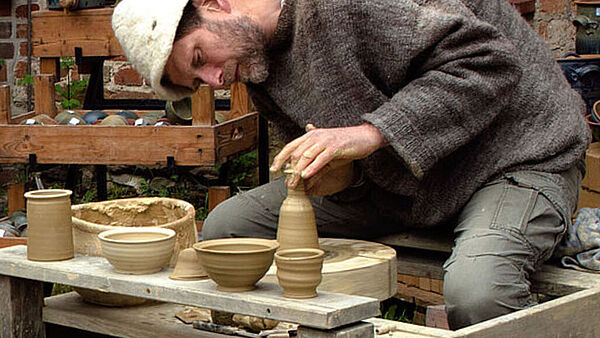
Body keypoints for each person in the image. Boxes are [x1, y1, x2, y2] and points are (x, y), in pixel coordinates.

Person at [112, 0, 591, 328]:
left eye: (199, 56)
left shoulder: (345, 6)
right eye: (197, 79)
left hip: (513, 158)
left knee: (479, 292)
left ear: (215, 3)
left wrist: (370, 133)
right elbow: (342, 161)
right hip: (402, 182)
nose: (214, 79)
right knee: (228, 229)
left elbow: (487, 61)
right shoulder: (251, 56)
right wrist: (332, 173)